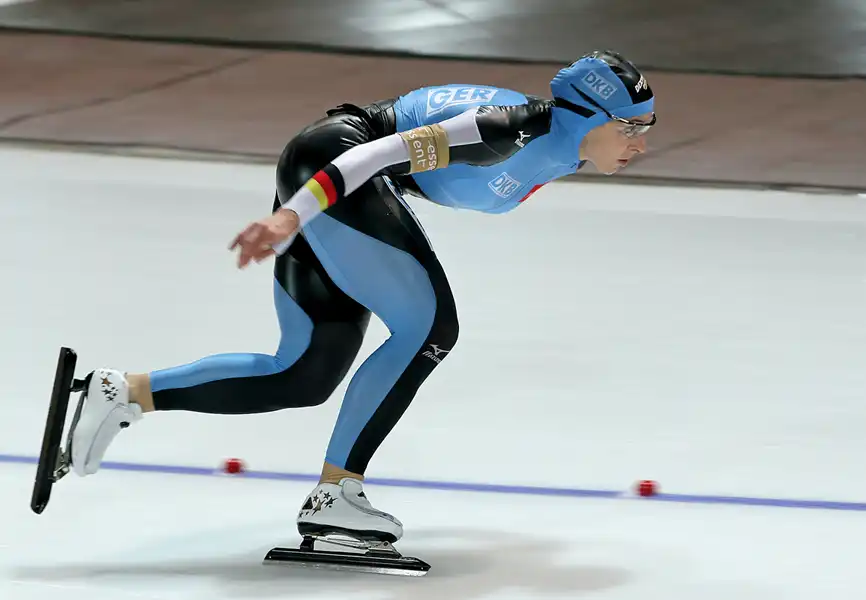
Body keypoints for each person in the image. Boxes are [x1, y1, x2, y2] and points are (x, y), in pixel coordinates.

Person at [66, 50, 655, 546]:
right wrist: (290, 217)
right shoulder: (504, 130)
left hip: (336, 181)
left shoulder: (565, 148)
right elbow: (376, 154)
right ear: (586, 115)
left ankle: (122, 392)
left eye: (647, 128)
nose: (640, 144)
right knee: (429, 329)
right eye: (631, 127)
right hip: (337, 168)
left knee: (303, 374)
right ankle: (337, 491)